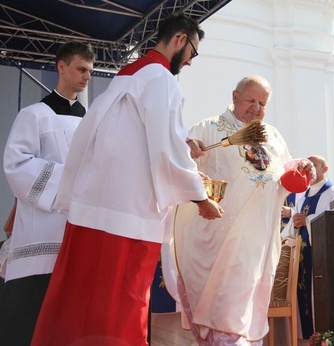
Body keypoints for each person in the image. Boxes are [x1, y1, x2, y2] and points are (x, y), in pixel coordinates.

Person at [31, 13, 222, 346]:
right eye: (193, 53)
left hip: (91, 210)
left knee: (76, 304)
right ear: (179, 39)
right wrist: (200, 197)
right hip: (127, 219)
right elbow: (166, 150)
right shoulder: (162, 79)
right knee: (120, 307)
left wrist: (182, 148)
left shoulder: (126, 77)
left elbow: (132, 141)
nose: (190, 62)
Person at [171, 75, 314, 345]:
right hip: (220, 235)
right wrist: (188, 148)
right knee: (226, 302)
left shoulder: (272, 135)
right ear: (235, 96)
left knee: (246, 300)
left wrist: (302, 166)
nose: (257, 108)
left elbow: (286, 169)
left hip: (258, 237)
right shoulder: (209, 127)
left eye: (263, 103)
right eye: (251, 100)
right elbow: (179, 158)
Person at [0, 41, 95, 346]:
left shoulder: (92, 122)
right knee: (31, 318)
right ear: (61, 66)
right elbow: (17, 165)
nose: (87, 77)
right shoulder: (34, 115)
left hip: (79, 227)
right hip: (42, 231)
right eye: (81, 69)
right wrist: (67, 181)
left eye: (91, 71)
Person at [280, 155, 334, 340]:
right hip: (302, 254)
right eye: (308, 165)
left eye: (315, 165)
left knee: (316, 295)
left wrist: (305, 220)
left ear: (325, 169)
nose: (310, 169)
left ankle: (321, 337)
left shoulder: (333, 192)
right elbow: (292, 225)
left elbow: (332, 223)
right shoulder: (302, 194)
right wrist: (296, 222)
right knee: (302, 294)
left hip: (319, 255)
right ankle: (305, 338)